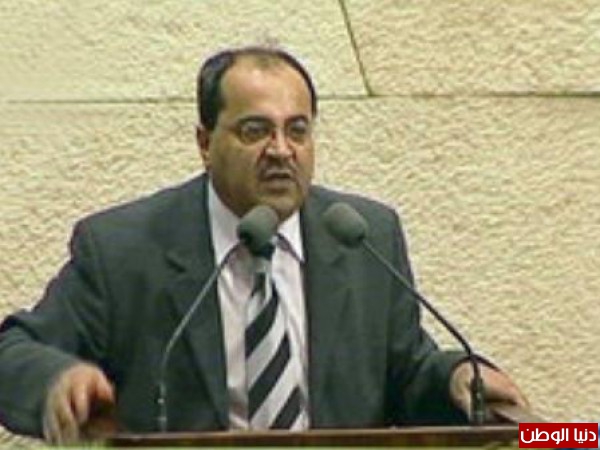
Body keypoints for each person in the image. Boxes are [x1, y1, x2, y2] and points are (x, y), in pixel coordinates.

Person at [0, 46, 528, 444]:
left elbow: (406, 371)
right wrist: (57, 381)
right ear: (205, 143)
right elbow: (13, 352)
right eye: (255, 131)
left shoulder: (364, 236)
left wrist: (458, 376)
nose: (281, 151)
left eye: (297, 131)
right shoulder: (124, 247)